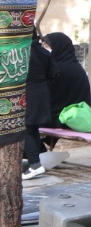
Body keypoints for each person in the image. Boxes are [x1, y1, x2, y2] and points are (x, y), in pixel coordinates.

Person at [22, 32, 55, 180]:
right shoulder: (44, 53)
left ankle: (35, 165)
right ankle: (34, 161)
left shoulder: (20, 52)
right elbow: (53, 73)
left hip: (27, 93)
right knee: (33, 128)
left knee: (27, 128)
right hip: (41, 93)